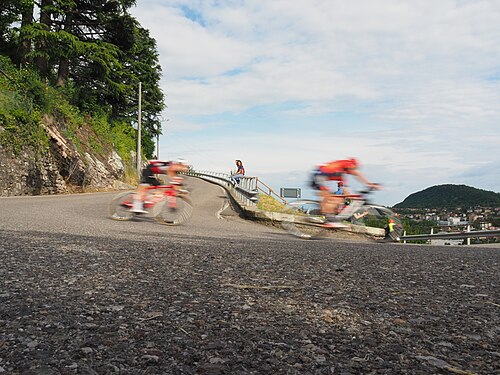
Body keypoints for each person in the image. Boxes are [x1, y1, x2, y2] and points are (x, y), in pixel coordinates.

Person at [310, 158, 380, 227]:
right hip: (319, 176)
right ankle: (330, 221)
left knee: (339, 199)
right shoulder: (346, 164)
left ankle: (327, 217)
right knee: (331, 199)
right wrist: (370, 184)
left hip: (320, 175)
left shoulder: (341, 173)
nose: (354, 170)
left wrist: (354, 196)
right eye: (354, 168)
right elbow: (357, 174)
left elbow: (345, 188)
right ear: (352, 166)